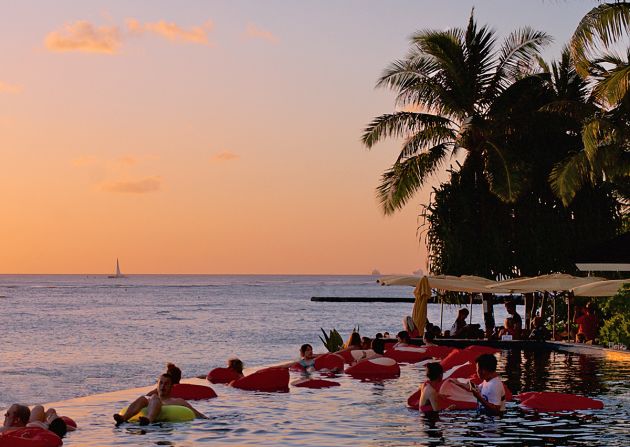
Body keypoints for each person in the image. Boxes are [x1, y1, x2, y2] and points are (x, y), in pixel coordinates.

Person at [114, 373, 207, 425]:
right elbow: (143, 399)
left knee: (154, 397)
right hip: (151, 425)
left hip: (161, 427)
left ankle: (149, 419)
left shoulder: (178, 401)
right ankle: (124, 418)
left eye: (166, 384)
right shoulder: (148, 399)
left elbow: (198, 415)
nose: (163, 386)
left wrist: (209, 419)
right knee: (144, 398)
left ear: (171, 387)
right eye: (161, 383)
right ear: (157, 385)